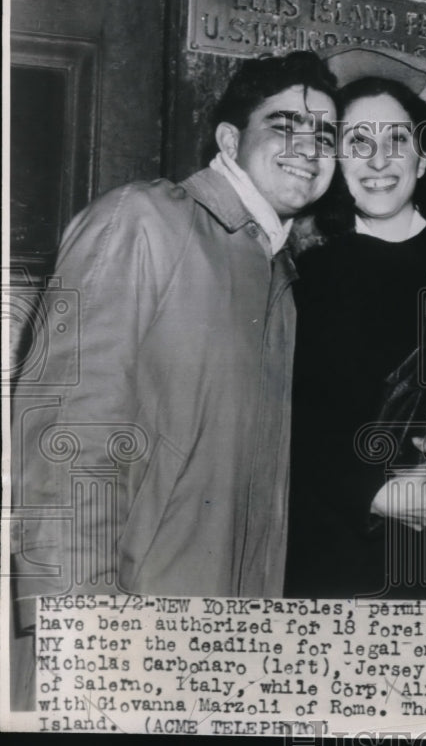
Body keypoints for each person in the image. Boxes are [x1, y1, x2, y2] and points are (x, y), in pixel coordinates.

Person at [9, 50, 337, 706]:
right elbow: (67, 444)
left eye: (326, 133)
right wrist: (88, 633)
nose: (311, 145)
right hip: (116, 648)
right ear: (229, 139)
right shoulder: (146, 220)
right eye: (286, 124)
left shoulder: (282, 280)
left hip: (218, 657)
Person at [284, 47, 426, 599]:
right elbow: (280, 425)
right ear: (334, 162)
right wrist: (374, 492)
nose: (379, 160)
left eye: (397, 140)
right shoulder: (299, 279)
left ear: (423, 158)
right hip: (339, 559)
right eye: (359, 142)